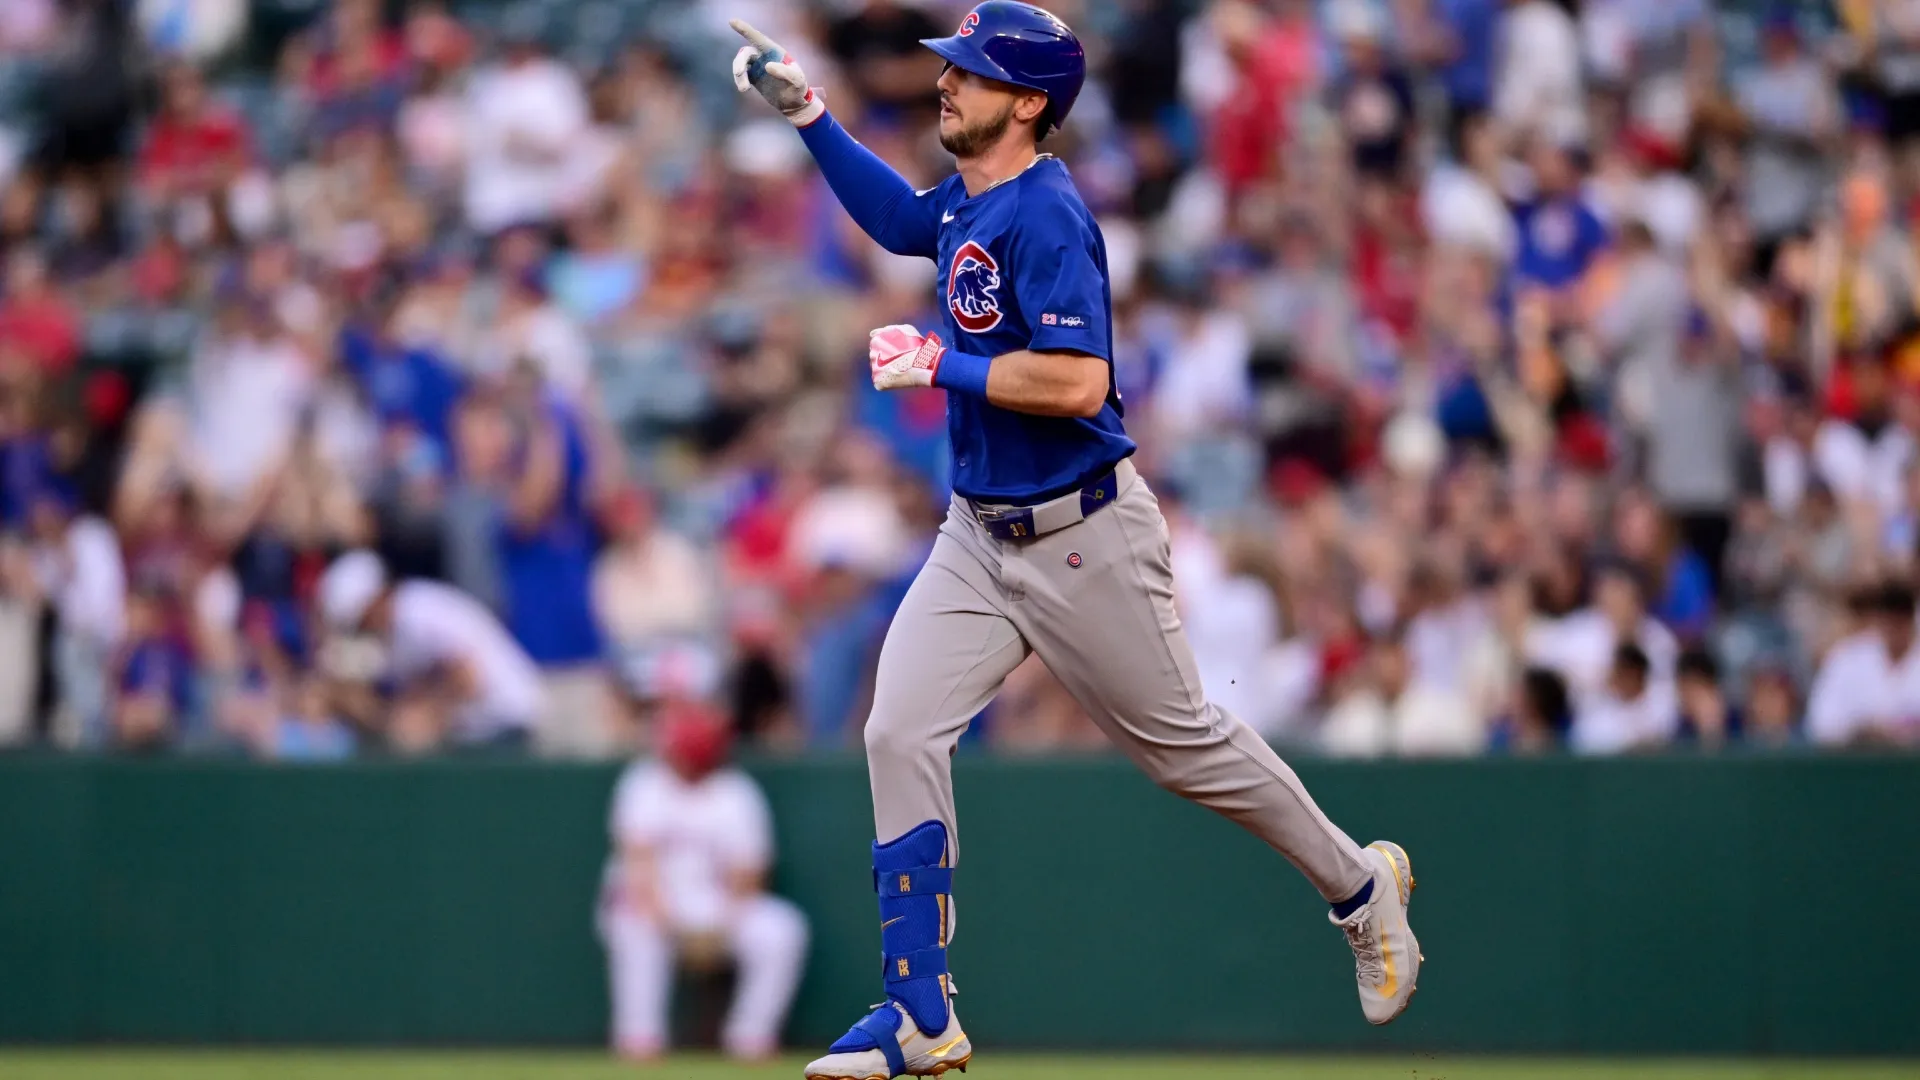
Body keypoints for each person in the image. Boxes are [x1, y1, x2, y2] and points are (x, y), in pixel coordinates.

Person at [731, 6, 1420, 1077]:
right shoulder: (973, 194)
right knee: (896, 732)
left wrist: (940, 364)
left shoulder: (1048, 212)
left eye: (971, 73)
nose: (947, 84)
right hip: (979, 531)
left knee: (1182, 748)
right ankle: (920, 1014)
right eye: (952, 66)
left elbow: (1080, 383)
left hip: (1078, 534)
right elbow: (907, 223)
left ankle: (1359, 885)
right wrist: (812, 114)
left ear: (1030, 102)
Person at [598, 702, 808, 1062]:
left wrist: (724, 927)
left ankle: (750, 1036)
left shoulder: (735, 792)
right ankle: (640, 1037)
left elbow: (750, 872)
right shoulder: (644, 782)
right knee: (632, 923)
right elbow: (638, 862)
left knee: (781, 929)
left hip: (716, 907)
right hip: (653, 902)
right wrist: (671, 926)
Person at [315, 549, 542, 752]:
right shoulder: (397, 630)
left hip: (505, 724)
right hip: (480, 731)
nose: (363, 629)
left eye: (361, 620)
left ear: (379, 597)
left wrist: (424, 714)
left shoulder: (416, 613)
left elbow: (469, 679)